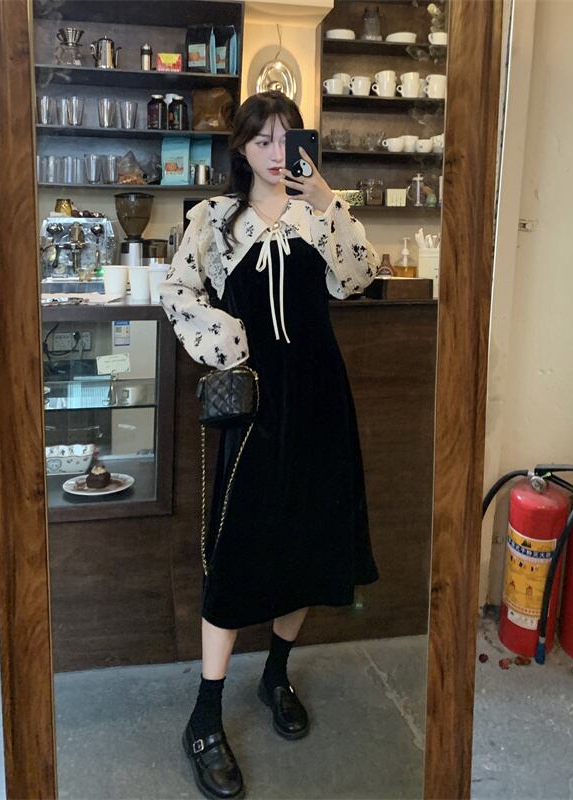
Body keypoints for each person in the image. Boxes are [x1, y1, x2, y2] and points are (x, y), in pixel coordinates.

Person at [158, 90, 380, 800]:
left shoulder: (322, 213)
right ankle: (205, 715)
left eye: (289, 139)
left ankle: (276, 673)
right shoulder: (215, 221)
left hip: (321, 401)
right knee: (236, 553)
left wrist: (328, 199)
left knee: (309, 542)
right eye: (263, 140)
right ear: (242, 149)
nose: (278, 153)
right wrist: (229, 341)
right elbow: (177, 292)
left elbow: (359, 278)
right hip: (256, 408)